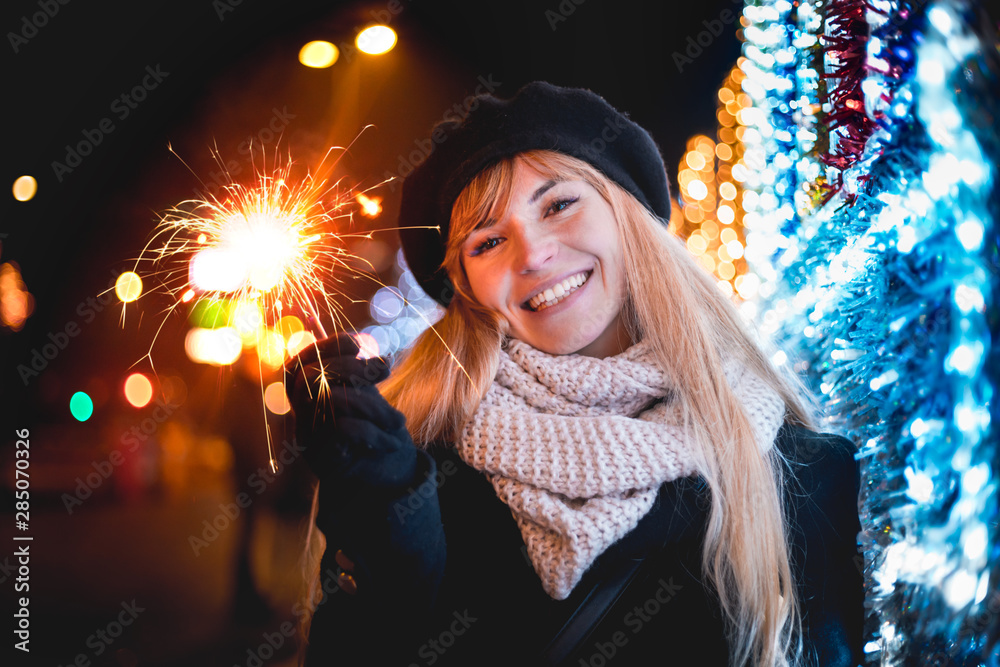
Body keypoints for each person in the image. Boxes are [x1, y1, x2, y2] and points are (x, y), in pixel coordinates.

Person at [285, 82, 865, 667]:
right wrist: (383, 530)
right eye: (488, 242)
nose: (533, 254)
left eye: (559, 204)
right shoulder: (421, 467)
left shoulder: (800, 472)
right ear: (465, 288)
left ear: (626, 216)